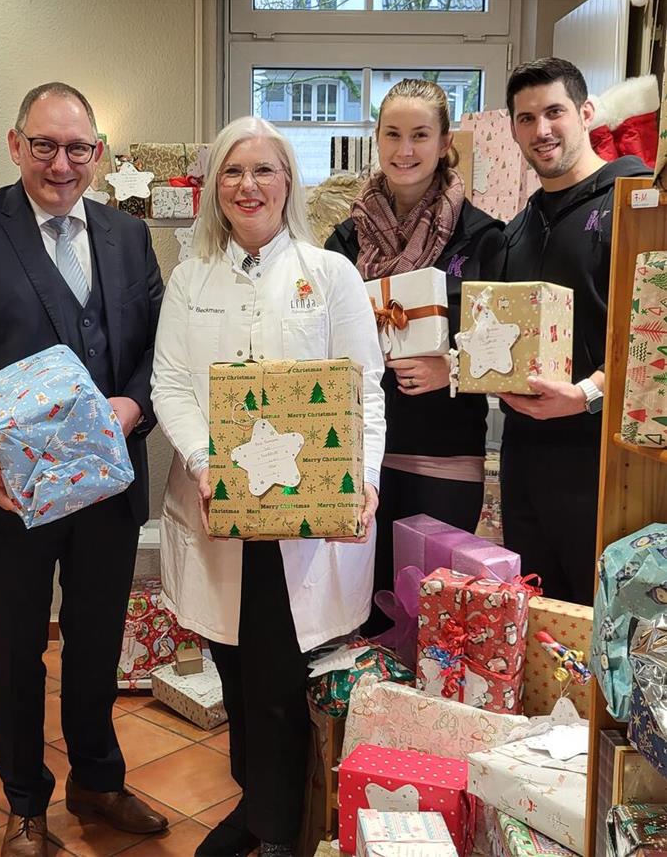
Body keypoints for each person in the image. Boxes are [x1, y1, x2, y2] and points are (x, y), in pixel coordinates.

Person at [0, 82, 167, 857]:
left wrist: (134, 410)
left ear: (98, 152)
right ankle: (26, 804)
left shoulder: (128, 236)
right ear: (14, 143)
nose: (61, 164)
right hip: (14, 490)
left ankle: (98, 780)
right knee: (19, 648)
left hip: (107, 483)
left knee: (98, 638)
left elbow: (155, 356)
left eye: (77, 149)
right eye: (44, 146)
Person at [151, 116, 385, 857]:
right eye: (232, 171)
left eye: (264, 170)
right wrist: (202, 460)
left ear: (289, 182)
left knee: (283, 672)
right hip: (220, 506)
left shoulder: (332, 274)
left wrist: (366, 476)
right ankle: (254, 803)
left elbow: (365, 390)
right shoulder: (192, 281)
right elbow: (171, 385)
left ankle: (277, 829)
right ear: (214, 188)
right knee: (232, 661)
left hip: (304, 521)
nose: (248, 185)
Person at [325, 78, 506, 632]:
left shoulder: (483, 238)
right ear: (376, 139)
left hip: (444, 454)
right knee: (364, 611)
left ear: (445, 140)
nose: (406, 150)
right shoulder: (346, 241)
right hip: (360, 458)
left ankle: (425, 719)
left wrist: (450, 367)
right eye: (394, 134)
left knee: (436, 616)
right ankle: (361, 714)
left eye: (421, 135)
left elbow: (509, 349)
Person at [496, 58, 650, 605]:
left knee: (606, 623)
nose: (541, 130)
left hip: (608, 460)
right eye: (526, 118)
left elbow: (656, 338)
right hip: (526, 462)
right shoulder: (516, 231)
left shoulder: (640, 203)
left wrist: (587, 396)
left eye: (554, 112)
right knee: (540, 618)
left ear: (585, 113)